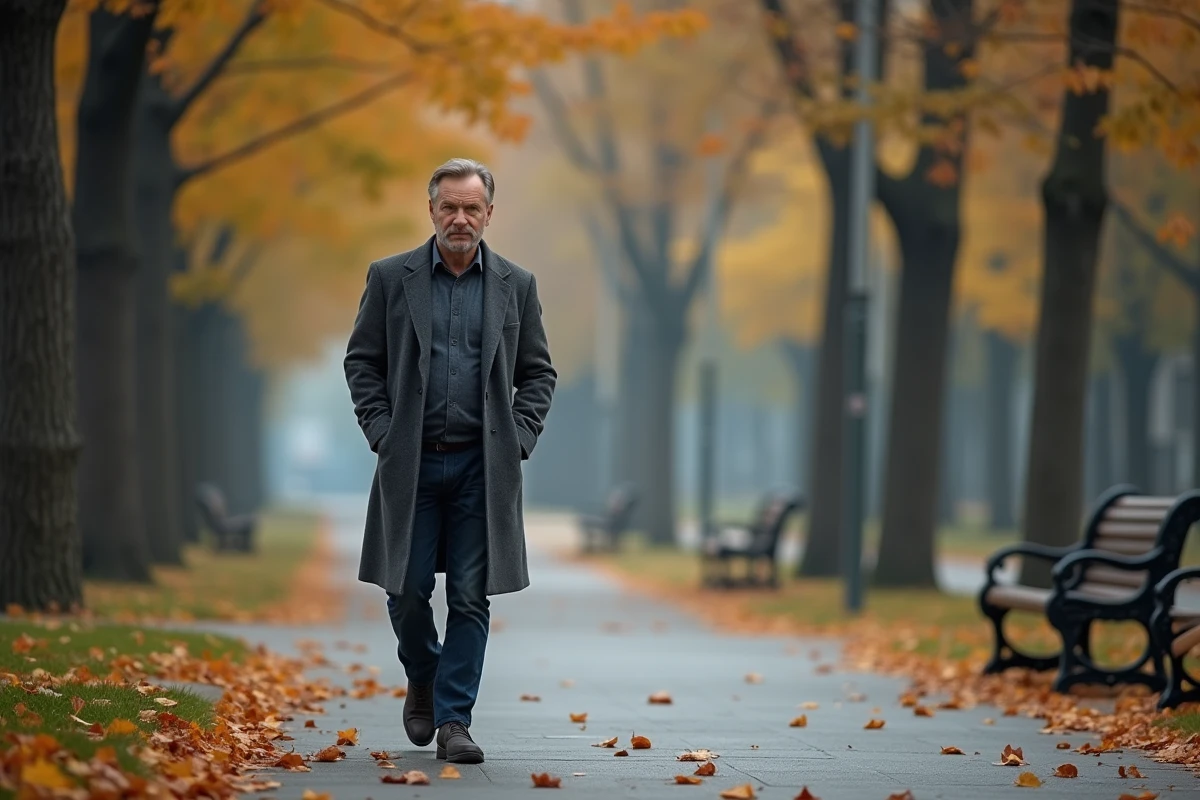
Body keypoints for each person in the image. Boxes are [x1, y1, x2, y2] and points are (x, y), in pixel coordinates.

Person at [343, 158, 556, 764]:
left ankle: (454, 721)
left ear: (490, 213)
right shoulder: (391, 277)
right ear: (431, 210)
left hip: (481, 470)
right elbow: (362, 361)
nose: (460, 218)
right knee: (405, 590)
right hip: (409, 464)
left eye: (472, 208)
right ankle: (425, 675)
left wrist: (519, 435)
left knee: (469, 595)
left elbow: (537, 371)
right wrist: (382, 431)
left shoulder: (517, 284)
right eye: (449, 207)